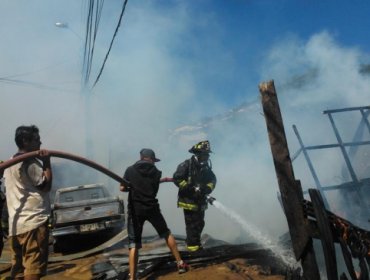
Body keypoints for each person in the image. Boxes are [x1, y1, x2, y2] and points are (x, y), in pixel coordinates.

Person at [120, 148, 189, 280]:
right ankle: (180, 263)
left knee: (134, 243)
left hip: (136, 210)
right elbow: (152, 187)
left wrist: (131, 186)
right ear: (151, 159)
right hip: (152, 208)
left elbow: (122, 188)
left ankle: (132, 278)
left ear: (141, 157)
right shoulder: (157, 173)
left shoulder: (129, 170)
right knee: (166, 233)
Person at [3, 125, 52, 280]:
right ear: (25, 141)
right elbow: (46, 186)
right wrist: (46, 163)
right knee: (33, 268)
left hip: (16, 226)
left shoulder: (10, 163)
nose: (40, 142)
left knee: (18, 270)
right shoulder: (30, 163)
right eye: (36, 139)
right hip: (33, 222)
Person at [173, 140, 217, 252]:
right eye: (204, 154)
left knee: (200, 223)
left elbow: (213, 179)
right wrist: (189, 188)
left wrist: (207, 188)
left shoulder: (205, 167)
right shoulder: (186, 165)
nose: (207, 157)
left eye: (207, 154)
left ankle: (195, 243)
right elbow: (177, 178)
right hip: (188, 201)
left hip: (200, 201)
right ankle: (193, 249)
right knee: (192, 225)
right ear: (198, 154)